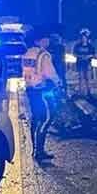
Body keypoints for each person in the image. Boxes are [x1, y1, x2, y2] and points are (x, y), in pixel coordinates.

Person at [22, 29, 60, 162]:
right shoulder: (43, 55)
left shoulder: (27, 54)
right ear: (38, 40)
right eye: (44, 39)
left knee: (36, 118)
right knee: (46, 118)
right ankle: (39, 151)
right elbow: (50, 74)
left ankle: (35, 150)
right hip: (42, 90)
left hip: (30, 90)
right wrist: (59, 83)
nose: (47, 41)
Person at [73, 28, 96, 96]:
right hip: (80, 64)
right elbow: (74, 54)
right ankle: (81, 92)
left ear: (87, 38)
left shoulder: (90, 46)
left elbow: (93, 54)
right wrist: (80, 56)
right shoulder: (77, 45)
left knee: (88, 78)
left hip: (87, 64)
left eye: (85, 37)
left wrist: (88, 56)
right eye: (82, 37)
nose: (83, 39)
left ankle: (89, 92)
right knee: (81, 78)